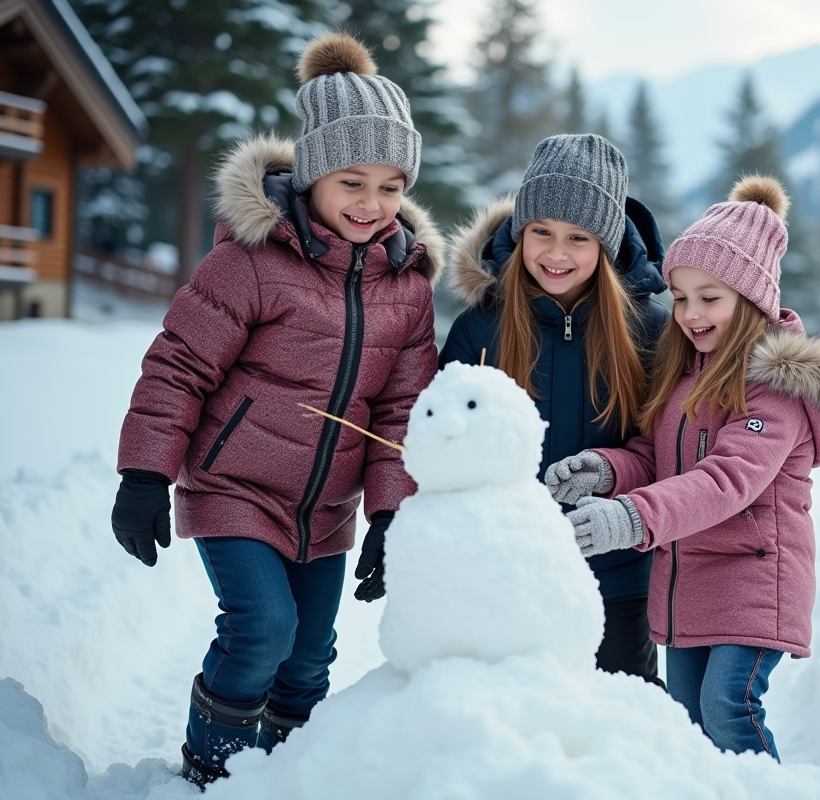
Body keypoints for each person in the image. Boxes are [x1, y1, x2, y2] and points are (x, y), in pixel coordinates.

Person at [109, 32, 443, 787]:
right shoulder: (251, 262)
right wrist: (144, 473)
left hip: (326, 509)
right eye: (352, 182)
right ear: (315, 173)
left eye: (391, 186)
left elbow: (400, 411)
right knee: (263, 628)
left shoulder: (408, 288)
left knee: (309, 656)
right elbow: (178, 366)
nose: (372, 204)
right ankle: (214, 772)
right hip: (233, 487)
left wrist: (390, 513)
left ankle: (288, 776)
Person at [545, 176, 820, 759]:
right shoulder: (686, 374)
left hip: (753, 580)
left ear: (751, 300)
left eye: (709, 297)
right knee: (691, 730)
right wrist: (607, 470)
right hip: (687, 585)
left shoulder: (773, 389)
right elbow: (656, 458)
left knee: (728, 708)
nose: (690, 313)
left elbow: (727, 480)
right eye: (680, 297)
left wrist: (632, 518)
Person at [439, 133, 669, 686]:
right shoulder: (481, 327)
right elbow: (440, 441)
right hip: (506, 570)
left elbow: (667, 449)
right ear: (520, 232)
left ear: (606, 245)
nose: (556, 253)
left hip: (618, 576)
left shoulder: (652, 331)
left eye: (578, 238)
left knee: (621, 712)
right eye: (541, 231)